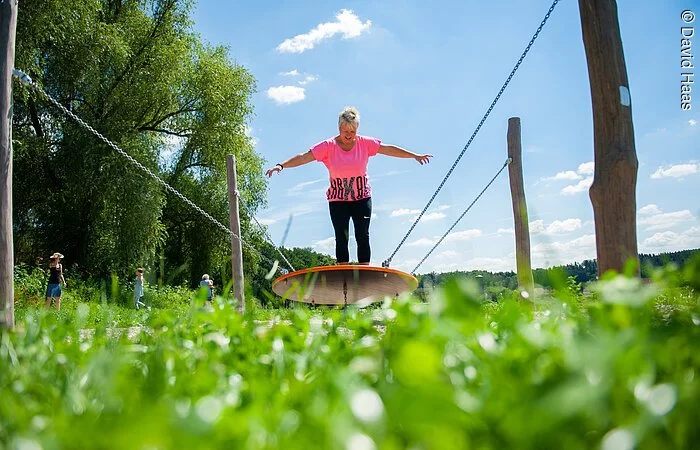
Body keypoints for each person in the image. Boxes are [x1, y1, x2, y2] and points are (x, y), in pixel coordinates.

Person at [266, 106, 432, 265]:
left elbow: (388, 149)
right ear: (339, 128)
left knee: (362, 235)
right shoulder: (328, 146)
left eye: (352, 131)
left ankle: (364, 272)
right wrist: (281, 165)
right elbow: (304, 157)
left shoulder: (365, 143)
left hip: (362, 198)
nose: (349, 135)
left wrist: (414, 156)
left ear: (357, 130)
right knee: (341, 237)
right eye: (345, 131)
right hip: (338, 200)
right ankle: (343, 275)